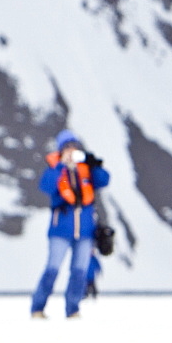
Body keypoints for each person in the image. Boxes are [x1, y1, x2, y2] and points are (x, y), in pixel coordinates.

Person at [30, 130, 110, 319]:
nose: (71, 150)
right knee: (52, 269)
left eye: (74, 147)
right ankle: (37, 308)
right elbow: (46, 186)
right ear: (60, 150)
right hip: (60, 230)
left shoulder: (86, 169)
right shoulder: (55, 169)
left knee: (79, 271)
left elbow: (104, 180)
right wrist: (59, 166)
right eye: (67, 147)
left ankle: (73, 309)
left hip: (85, 230)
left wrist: (94, 165)